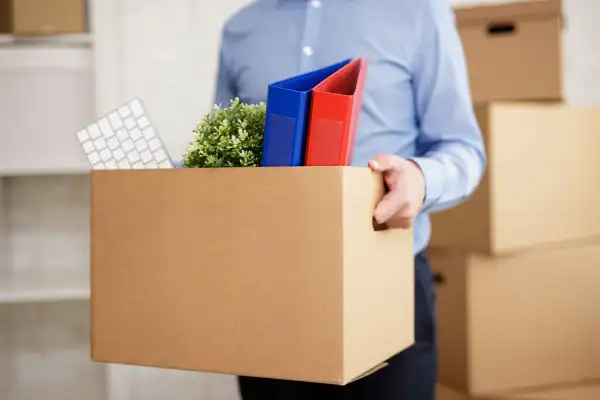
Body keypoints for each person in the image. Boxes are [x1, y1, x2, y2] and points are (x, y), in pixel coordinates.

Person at [213, 0, 487, 399]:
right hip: (268, 289)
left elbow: (464, 148)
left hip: (386, 287)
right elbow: (222, 160)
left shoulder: (417, 12)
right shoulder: (241, 28)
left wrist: (419, 177)